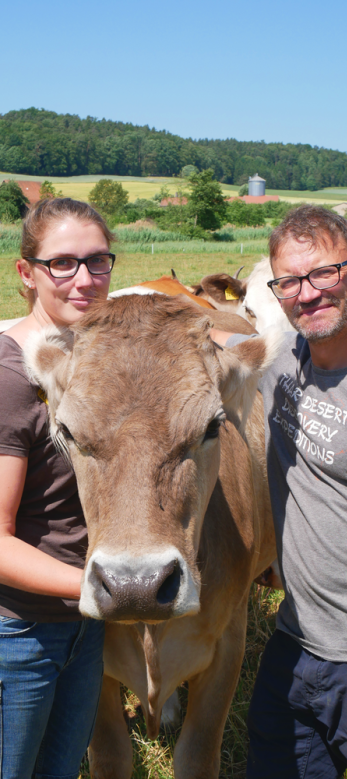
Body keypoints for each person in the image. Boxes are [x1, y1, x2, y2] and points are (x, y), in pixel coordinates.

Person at [222, 205, 347, 779]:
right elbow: (204, 340)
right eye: (288, 281)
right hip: (295, 644)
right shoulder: (282, 362)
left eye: (323, 274)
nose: (307, 294)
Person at [0, 197, 115, 779]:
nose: (85, 280)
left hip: (82, 626)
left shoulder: (89, 362)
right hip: (17, 635)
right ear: (27, 273)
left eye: (98, 262)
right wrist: (104, 587)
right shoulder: (11, 377)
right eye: (62, 264)